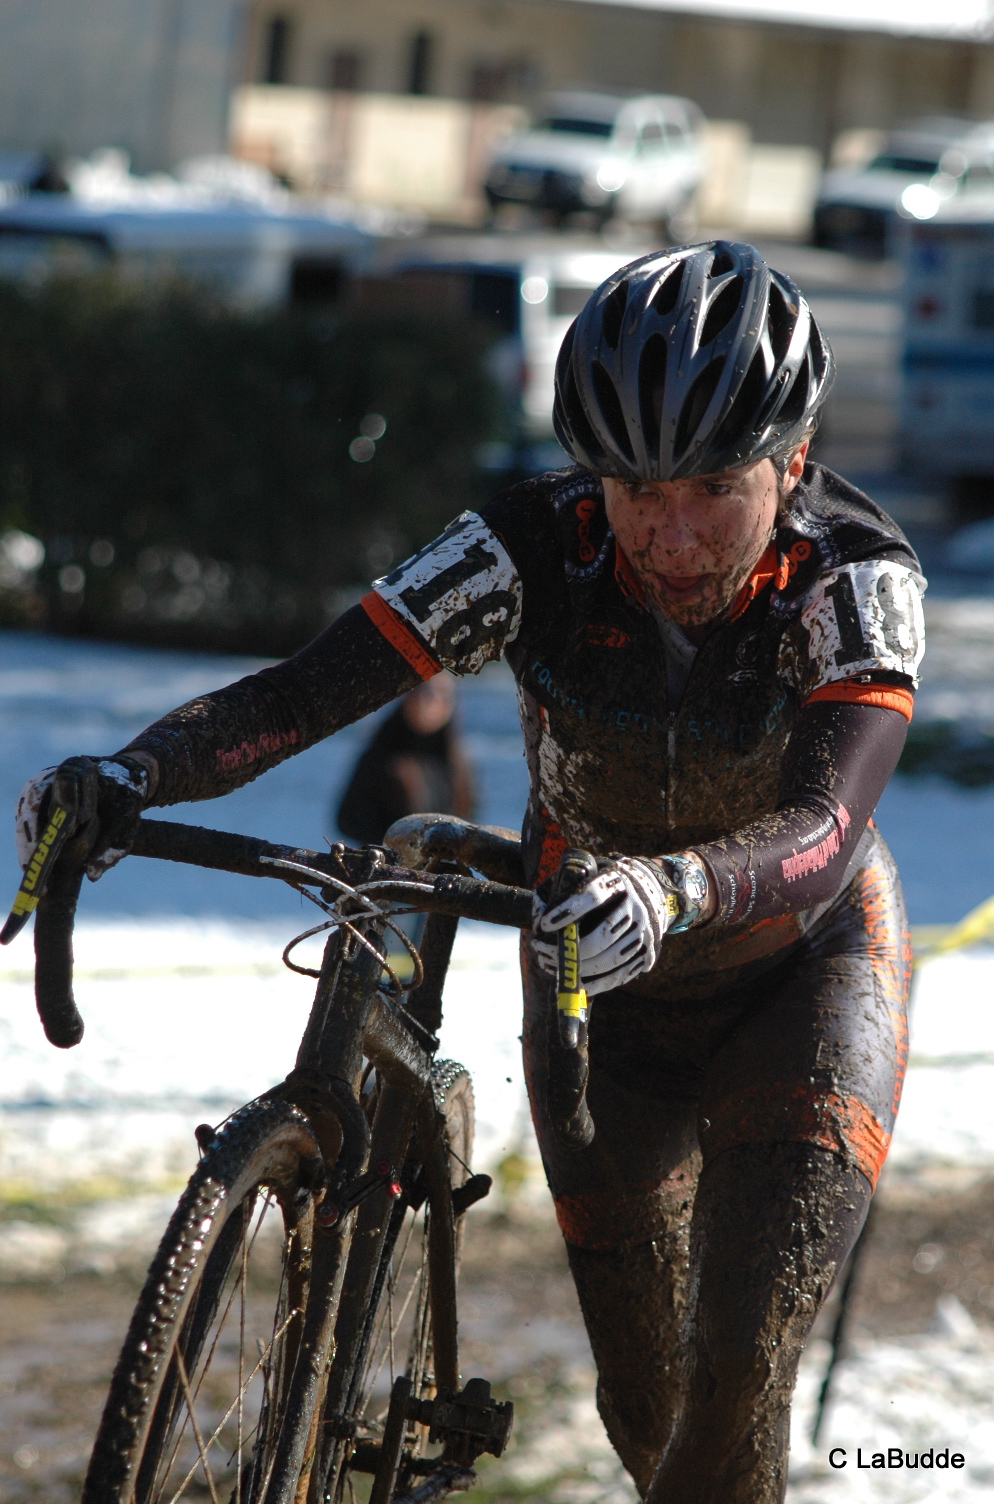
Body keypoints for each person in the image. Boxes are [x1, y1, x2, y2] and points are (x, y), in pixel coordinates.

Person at [13, 242, 923, 1503]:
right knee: (645, 1406)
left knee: (732, 1377)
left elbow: (827, 827)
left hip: (801, 975)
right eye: (631, 487)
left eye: (714, 485)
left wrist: (671, 888)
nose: (668, 532)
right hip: (590, 992)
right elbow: (302, 690)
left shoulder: (855, 576)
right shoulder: (524, 546)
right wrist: (135, 773)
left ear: (793, 463)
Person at [335, 672, 474, 845]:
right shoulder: (383, 752)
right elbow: (345, 820)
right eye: (418, 691)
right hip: (387, 864)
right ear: (406, 697)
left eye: (437, 695)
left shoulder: (458, 762)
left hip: (439, 866)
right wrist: (393, 844)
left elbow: (470, 824)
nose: (425, 701)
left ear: (451, 705)